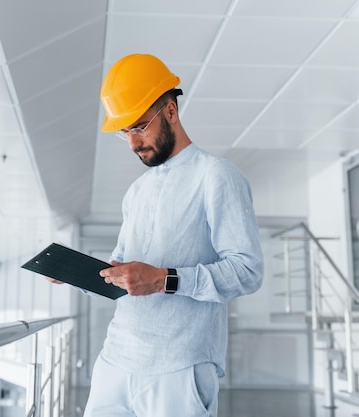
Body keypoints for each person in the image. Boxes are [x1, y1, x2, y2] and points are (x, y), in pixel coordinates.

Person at [50, 53, 264, 417]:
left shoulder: (217, 177)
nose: (133, 142)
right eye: (125, 131)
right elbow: (124, 278)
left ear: (170, 111)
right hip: (116, 360)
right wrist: (79, 274)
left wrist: (165, 279)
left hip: (179, 367)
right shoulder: (136, 192)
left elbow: (247, 272)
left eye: (140, 126)